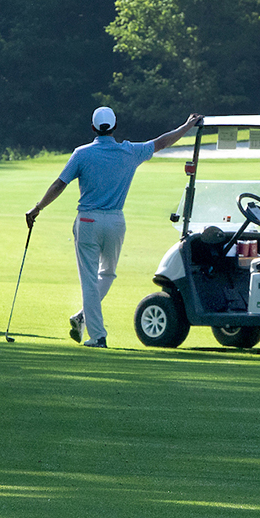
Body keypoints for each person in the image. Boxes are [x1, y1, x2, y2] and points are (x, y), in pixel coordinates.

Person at [27, 106, 202, 347]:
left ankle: (98, 335)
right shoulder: (130, 151)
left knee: (89, 280)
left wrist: (37, 208)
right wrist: (186, 126)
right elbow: (162, 142)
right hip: (115, 222)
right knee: (107, 274)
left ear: (93, 128)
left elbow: (59, 184)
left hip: (88, 221)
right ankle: (83, 318)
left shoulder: (81, 154)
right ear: (115, 127)